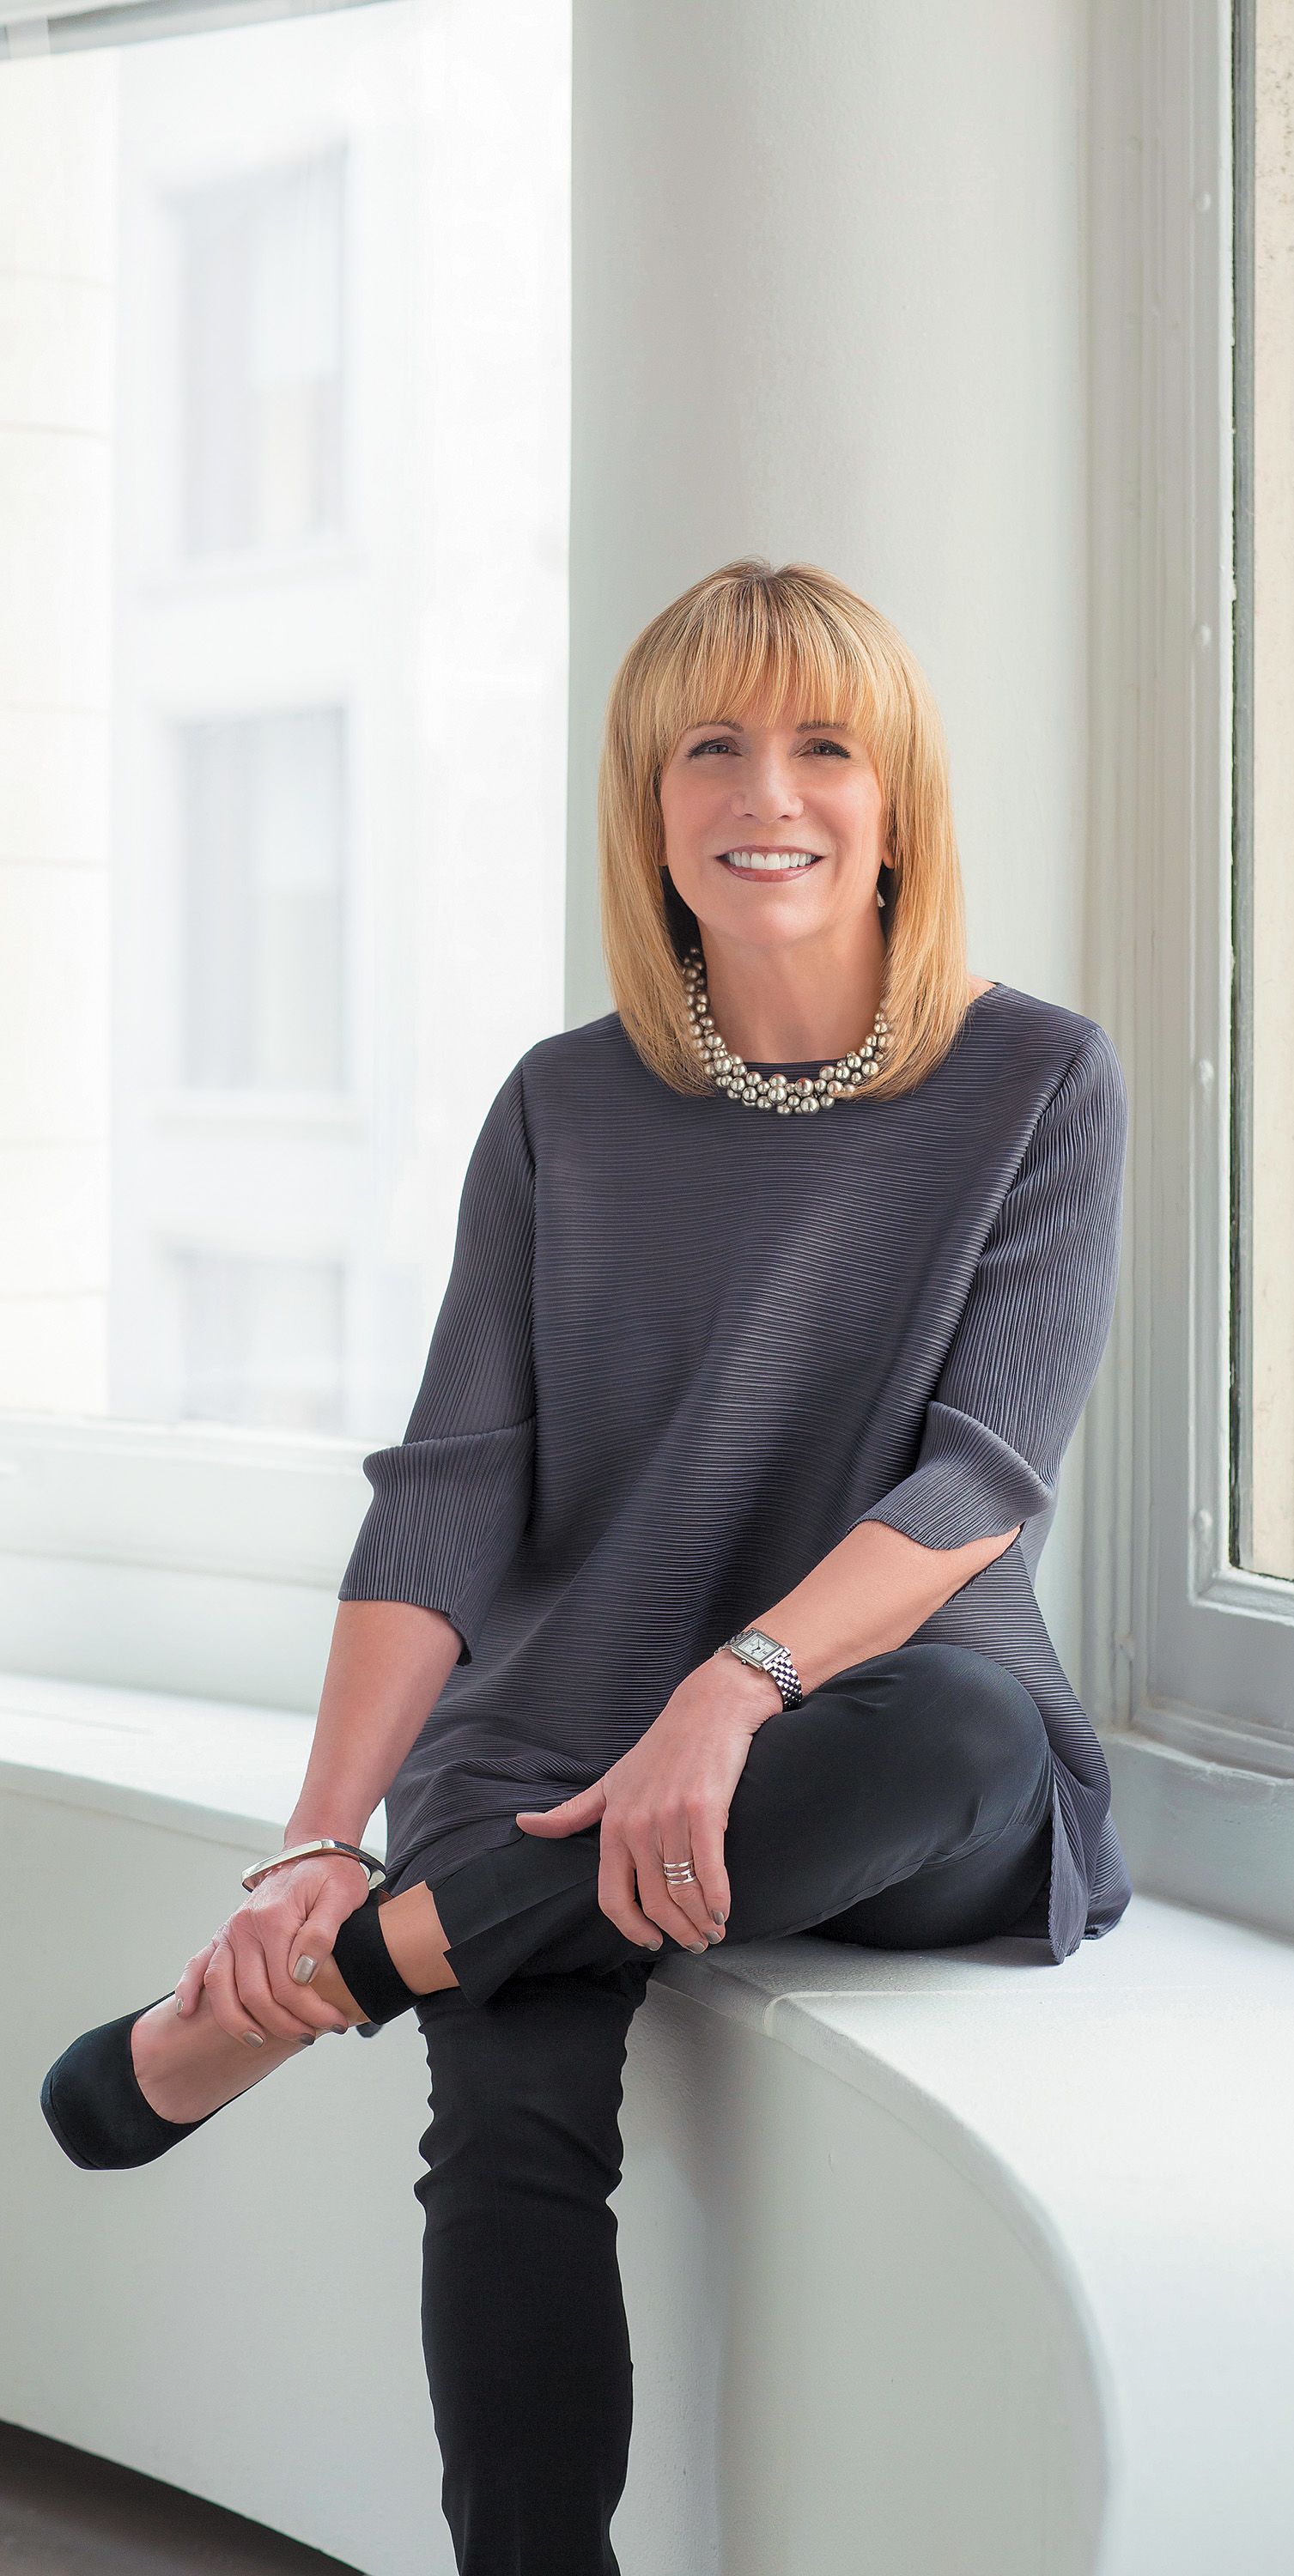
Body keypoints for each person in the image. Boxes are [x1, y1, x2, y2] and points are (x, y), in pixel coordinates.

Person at [40, 556, 1132, 2575]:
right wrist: (313, 1834)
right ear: (645, 803)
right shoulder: (561, 1107)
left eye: (822, 745)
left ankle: (315, 1998)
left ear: (898, 799)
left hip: (873, 1755)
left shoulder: (1034, 1083)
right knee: (516, 2133)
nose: (765, 793)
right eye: (705, 747)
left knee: (968, 1729)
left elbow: (978, 1488)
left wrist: (732, 1693)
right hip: (554, 1749)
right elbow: (450, 1491)